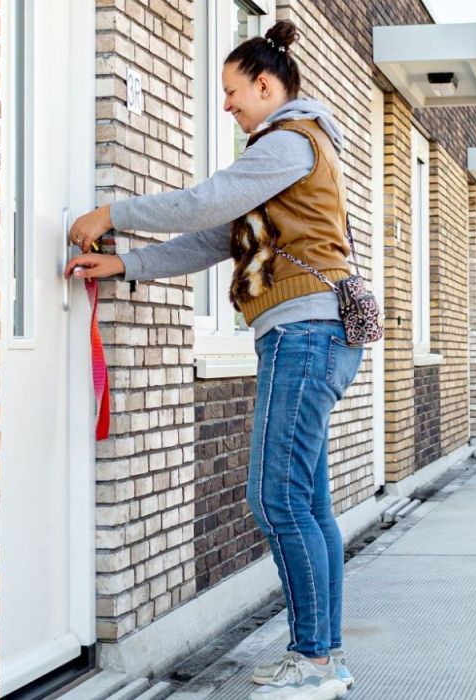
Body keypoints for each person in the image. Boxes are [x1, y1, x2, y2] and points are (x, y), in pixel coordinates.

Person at [64, 20, 360, 700]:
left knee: (275, 496)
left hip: (303, 335)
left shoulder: (289, 140)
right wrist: (126, 263)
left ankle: (313, 662)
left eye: (231, 92)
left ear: (266, 84)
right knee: (306, 503)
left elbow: (203, 201)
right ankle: (325, 659)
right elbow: (215, 237)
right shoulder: (285, 149)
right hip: (309, 336)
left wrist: (113, 209)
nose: (225, 105)